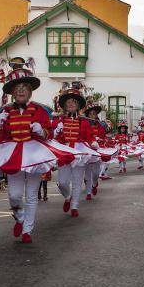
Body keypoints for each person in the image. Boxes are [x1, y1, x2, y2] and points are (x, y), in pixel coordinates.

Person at [0, 58, 78, 242]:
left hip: (34, 154)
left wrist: (42, 131)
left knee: (31, 195)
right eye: (17, 87)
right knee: (14, 195)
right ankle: (19, 216)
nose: (21, 90)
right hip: (13, 153)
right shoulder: (4, 112)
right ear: (13, 92)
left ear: (30, 91)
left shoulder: (40, 110)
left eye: (24, 86)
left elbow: (49, 134)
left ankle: (27, 231)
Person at [52, 83, 96, 216]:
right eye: (68, 102)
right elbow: (51, 137)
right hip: (64, 151)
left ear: (78, 105)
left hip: (79, 152)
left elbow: (89, 135)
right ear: (64, 105)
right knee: (62, 182)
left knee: (77, 181)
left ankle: (75, 206)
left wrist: (93, 142)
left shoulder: (84, 122)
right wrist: (56, 131)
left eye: (74, 102)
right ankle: (67, 196)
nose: (71, 104)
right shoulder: (58, 120)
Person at [82, 100, 106, 199]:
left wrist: (99, 140)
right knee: (87, 173)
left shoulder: (100, 125)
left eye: (94, 114)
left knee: (96, 173)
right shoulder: (83, 124)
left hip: (97, 151)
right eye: (90, 113)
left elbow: (103, 137)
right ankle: (88, 193)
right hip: (87, 150)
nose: (92, 115)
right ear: (87, 114)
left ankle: (95, 183)